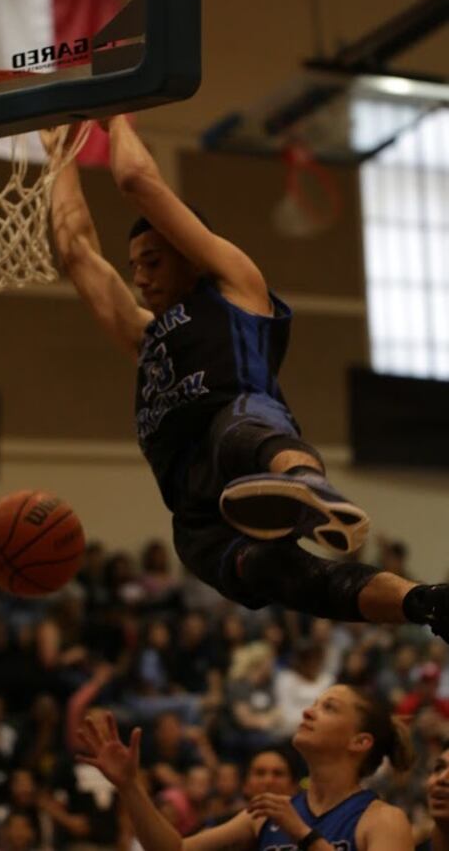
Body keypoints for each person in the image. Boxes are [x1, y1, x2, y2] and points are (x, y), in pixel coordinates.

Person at [44, 115, 449, 637]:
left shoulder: (235, 288)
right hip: (196, 516)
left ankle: (306, 486)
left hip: (240, 436)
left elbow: (136, 182)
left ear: (188, 254)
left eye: (152, 262)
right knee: (286, 578)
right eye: (133, 266)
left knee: (238, 427)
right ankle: (427, 604)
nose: (139, 278)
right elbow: (77, 253)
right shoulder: (145, 338)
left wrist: (115, 114)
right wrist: (59, 153)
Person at [75, 684, 414, 851]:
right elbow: (173, 849)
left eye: (329, 708)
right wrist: (130, 786)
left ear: (360, 741)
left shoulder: (384, 820)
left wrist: (304, 835)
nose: (308, 712)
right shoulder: (268, 814)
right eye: (311, 704)